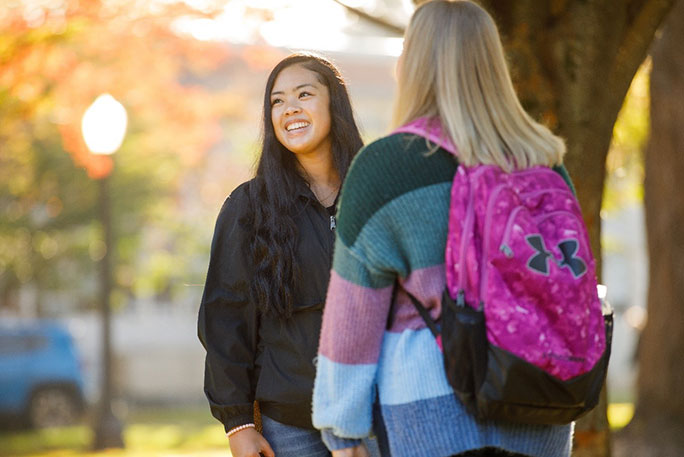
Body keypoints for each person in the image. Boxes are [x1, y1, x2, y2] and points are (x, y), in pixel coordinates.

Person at [312, 1, 576, 457]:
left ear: (411, 64)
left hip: (429, 407)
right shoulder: (546, 163)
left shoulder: (387, 166)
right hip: (542, 396)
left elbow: (352, 317)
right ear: (494, 64)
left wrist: (343, 431)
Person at [198, 53, 380, 457]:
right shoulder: (250, 207)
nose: (290, 109)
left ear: (335, 103)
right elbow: (225, 318)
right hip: (291, 427)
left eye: (304, 94)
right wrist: (238, 423)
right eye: (277, 101)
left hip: (376, 414)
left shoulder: (376, 194)